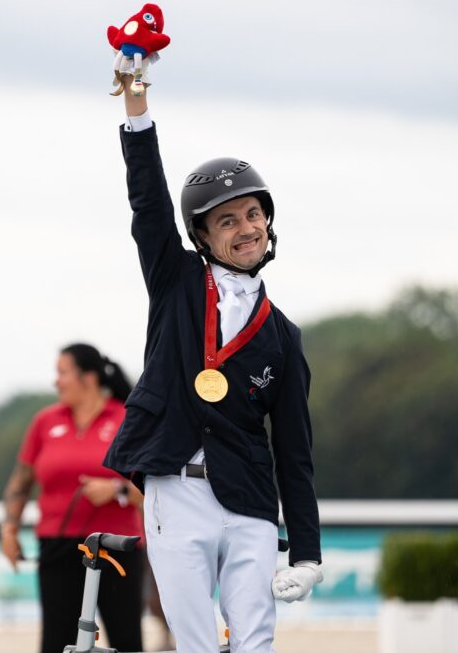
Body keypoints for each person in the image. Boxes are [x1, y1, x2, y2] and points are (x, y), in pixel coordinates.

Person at [101, 57, 323, 653]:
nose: (246, 228)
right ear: (202, 237)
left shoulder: (284, 336)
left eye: (254, 215)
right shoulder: (174, 281)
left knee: (255, 641)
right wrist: (136, 102)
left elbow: (295, 451)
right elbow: (146, 201)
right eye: (227, 221)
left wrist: (306, 552)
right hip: (175, 487)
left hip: (249, 496)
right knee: (196, 644)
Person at [0, 343, 145, 653]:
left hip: (116, 548)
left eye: (62, 373)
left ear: (88, 378)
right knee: (56, 641)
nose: (56, 382)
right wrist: (8, 528)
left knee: (126, 639)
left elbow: (154, 488)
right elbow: (21, 480)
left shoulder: (126, 419)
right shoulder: (44, 421)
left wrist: (116, 489)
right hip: (57, 546)